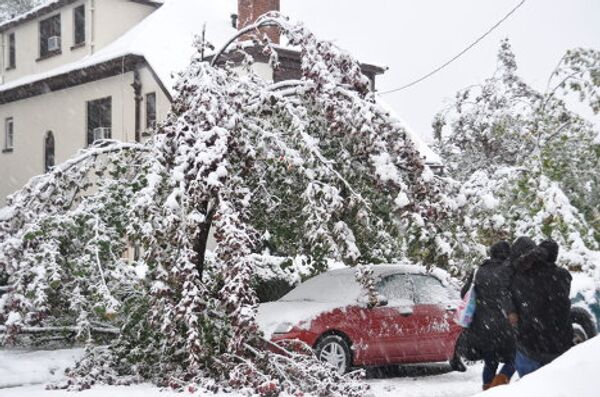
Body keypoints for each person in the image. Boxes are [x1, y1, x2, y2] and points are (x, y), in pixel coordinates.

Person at [508, 239, 573, 377]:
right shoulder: (562, 275)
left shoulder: (518, 279)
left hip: (530, 346)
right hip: (560, 346)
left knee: (530, 388)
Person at [459, 241, 516, 390]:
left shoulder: (479, 271)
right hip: (506, 325)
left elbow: (464, 293)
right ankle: (499, 383)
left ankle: (488, 389)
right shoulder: (509, 271)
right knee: (514, 358)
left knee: (490, 360)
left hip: (483, 326)